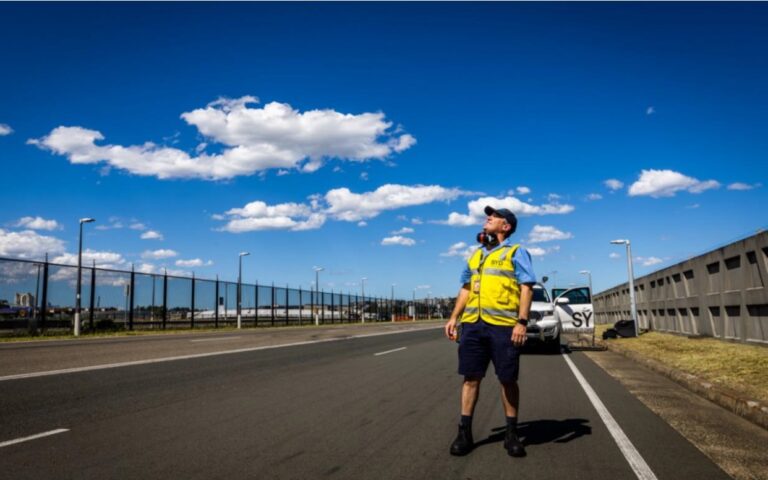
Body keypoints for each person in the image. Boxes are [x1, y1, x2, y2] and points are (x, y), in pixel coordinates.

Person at [444, 205, 536, 458]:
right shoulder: (475, 255)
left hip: (504, 327)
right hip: (473, 325)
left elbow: (526, 287)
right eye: (489, 216)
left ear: (506, 227)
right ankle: (464, 432)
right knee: (470, 378)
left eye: (494, 217)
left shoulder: (516, 252)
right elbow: (465, 288)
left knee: (507, 378)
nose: (488, 219)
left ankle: (511, 433)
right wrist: (454, 317)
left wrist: (522, 322)